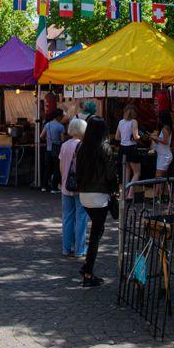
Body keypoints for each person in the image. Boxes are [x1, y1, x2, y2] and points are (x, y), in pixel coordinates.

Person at [76, 116, 117, 287]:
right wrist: (115, 188)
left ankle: (87, 267)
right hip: (99, 195)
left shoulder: (83, 147)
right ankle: (88, 273)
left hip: (84, 195)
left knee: (96, 231)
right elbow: (110, 173)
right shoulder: (104, 148)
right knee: (96, 235)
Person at [59, 117, 88, 259]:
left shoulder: (64, 145)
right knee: (81, 217)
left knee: (67, 217)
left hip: (66, 186)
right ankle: (80, 249)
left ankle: (66, 248)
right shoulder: (83, 146)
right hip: (80, 187)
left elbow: (61, 167)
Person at [40, 109, 66, 193]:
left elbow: (41, 136)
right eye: (62, 116)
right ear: (59, 116)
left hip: (48, 149)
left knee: (47, 168)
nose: (63, 117)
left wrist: (47, 140)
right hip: (57, 150)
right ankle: (54, 188)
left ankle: (44, 186)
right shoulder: (61, 126)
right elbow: (62, 140)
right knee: (56, 168)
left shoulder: (48, 124)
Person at [115, 105, 141, 187]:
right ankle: (130, 192)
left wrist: (124, 138)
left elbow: (116, 137)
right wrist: (141, 137)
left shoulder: (121, 122)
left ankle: (124, 194)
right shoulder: (134, 122)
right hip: (131, 148)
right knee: (137, 172)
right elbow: (136, 137)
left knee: (126, 172)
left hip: (122, 148)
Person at [150, 111, 174, 189]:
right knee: (161, 177)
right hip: (162, 155)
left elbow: (165, 141)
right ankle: (160, 195)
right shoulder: (165, 128)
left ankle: (158, 196)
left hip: (164, 156)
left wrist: (155, 137)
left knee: (158, 177)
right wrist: (154, 138)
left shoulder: (165, 128)